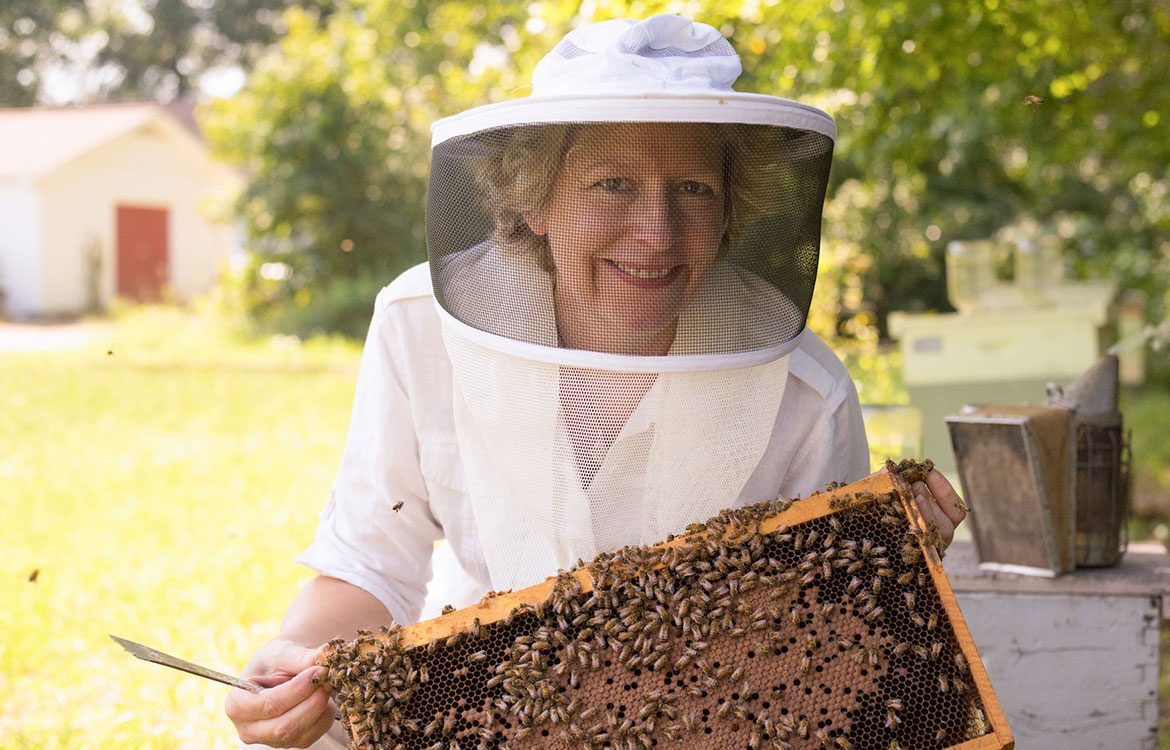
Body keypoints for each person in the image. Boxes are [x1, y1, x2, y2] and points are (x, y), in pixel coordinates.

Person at [226, 14, 967, 749]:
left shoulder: (806, 392)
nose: (658, 232)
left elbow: (817, 650)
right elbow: (369, 565)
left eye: (695, 190)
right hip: (478, 705)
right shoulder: (421, 326)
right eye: (612, 183)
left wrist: (890, 567)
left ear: (732, 210)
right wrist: (291, 671)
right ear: (534, 199)